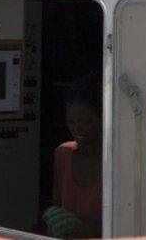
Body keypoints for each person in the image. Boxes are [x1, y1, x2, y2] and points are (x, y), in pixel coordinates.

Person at [43, 83, 102, 238]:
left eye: (86, 122)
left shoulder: (114, 161)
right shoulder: (63, 153)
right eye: (72, 122)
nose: (77, 129)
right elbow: (56, 211)